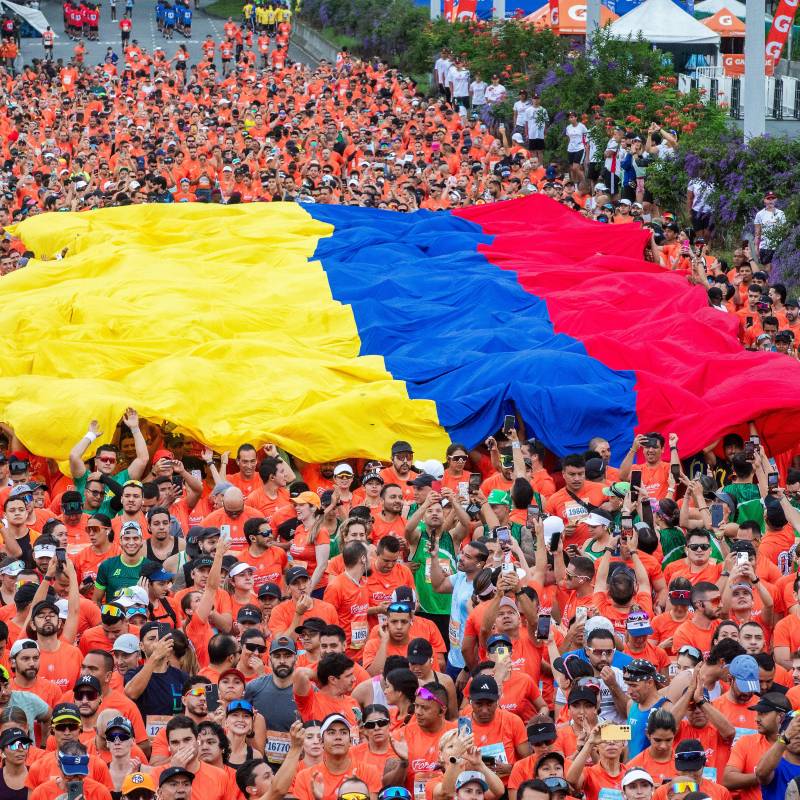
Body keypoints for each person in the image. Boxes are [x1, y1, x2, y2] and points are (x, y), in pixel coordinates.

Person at [290, 714, 381, 800]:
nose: (338, 737)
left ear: (350, 741)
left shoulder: (369, 772)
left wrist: (359, 789)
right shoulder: (305, 778)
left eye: (343, 732)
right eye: (331, 732)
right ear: (321, 742)